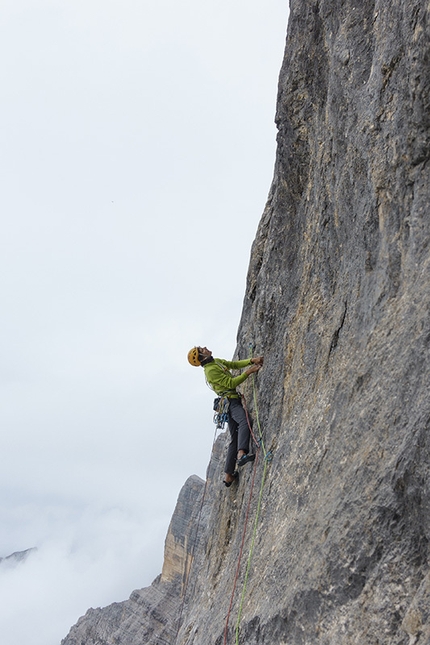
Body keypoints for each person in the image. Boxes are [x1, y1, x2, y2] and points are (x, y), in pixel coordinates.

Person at [188, 346, 264, 487]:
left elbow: (233, 365)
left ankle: (228, 475)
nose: (205, 348)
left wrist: (252, 360)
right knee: (245, 421)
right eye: (201, 349)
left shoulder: (215, 362)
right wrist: (249, 371)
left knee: (234, 437)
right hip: (230, 401)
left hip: (230, 401)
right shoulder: (210, 371)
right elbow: (230, 383)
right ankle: (241, 454)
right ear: (201, 356)